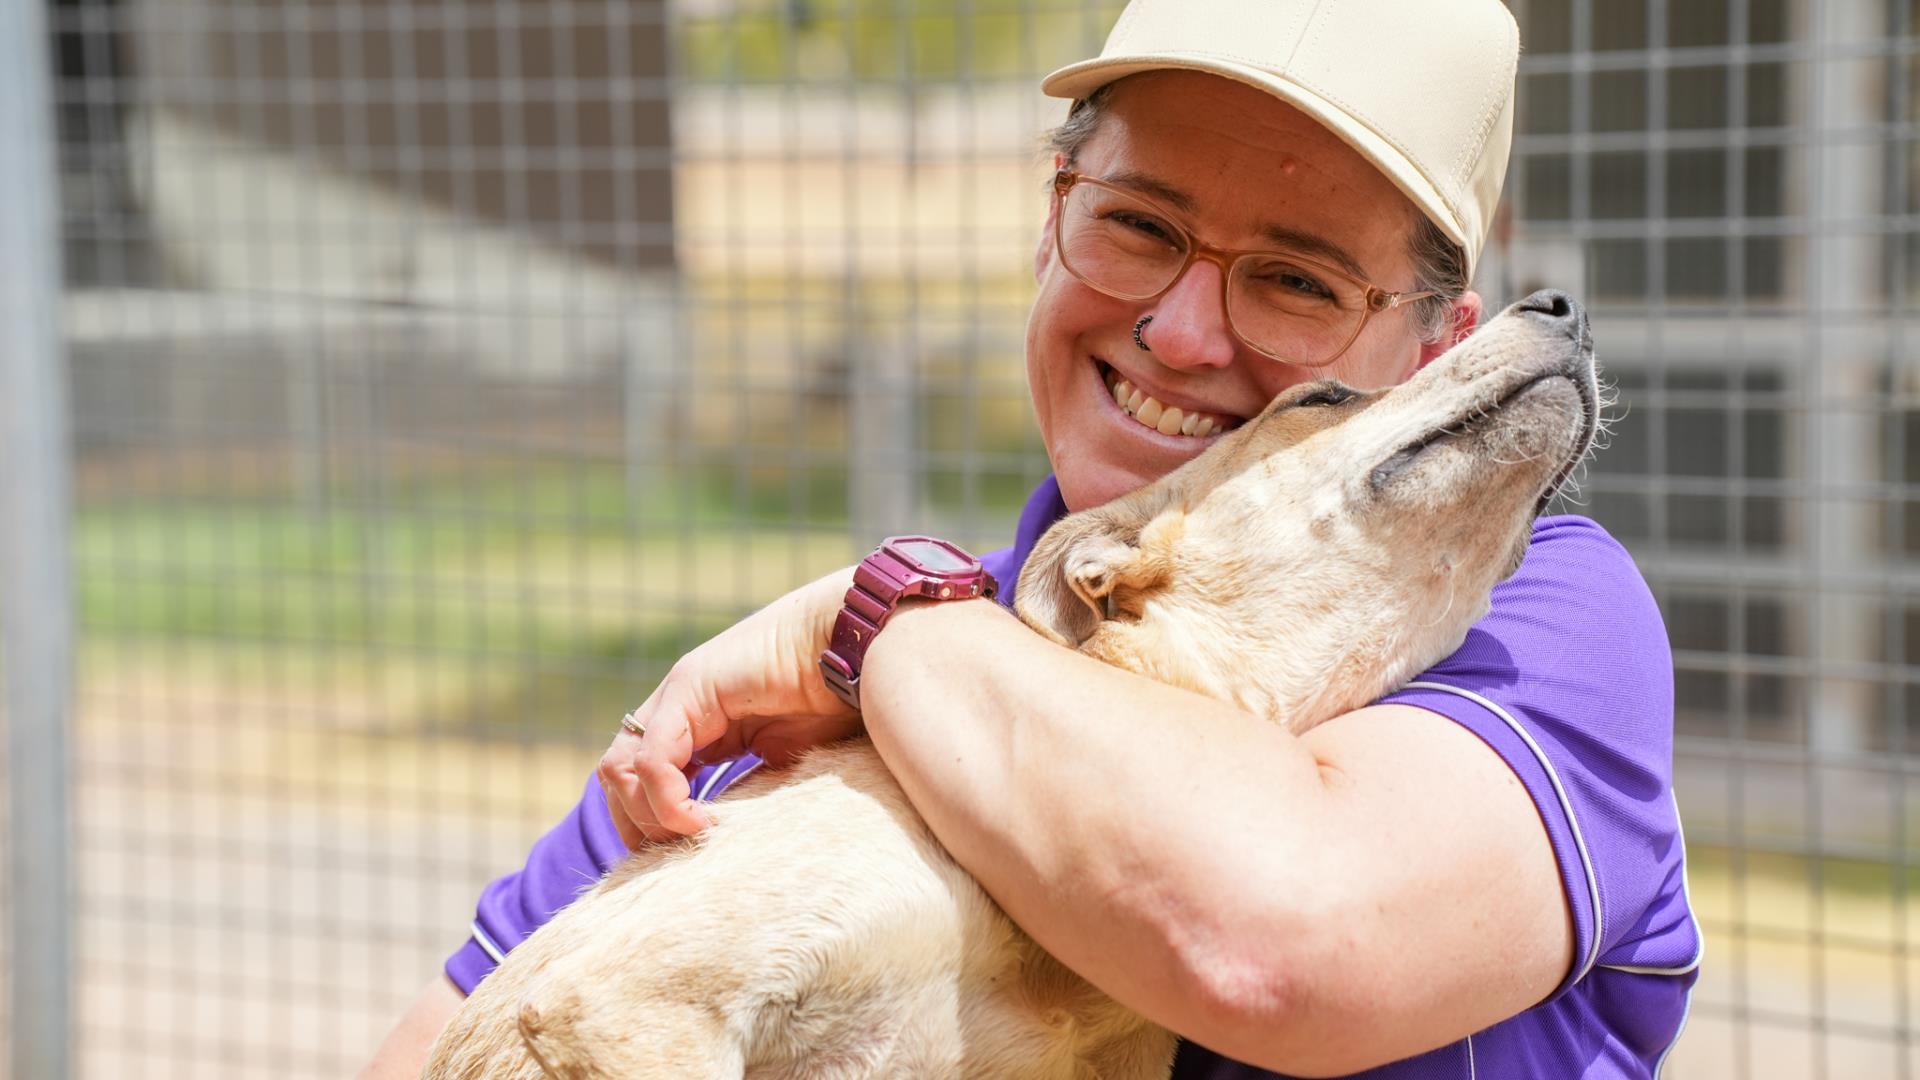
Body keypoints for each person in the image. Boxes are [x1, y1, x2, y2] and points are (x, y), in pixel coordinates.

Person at [362, 1, 1700, 1076]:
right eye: (1137, 226)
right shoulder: (749, 748)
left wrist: (872, 620)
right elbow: (485, 1042)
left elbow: (1272, 948)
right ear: (1049, 216)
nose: (1180, 334)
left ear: (1433, 357)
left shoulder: (1533, 616)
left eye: (1294, 281)